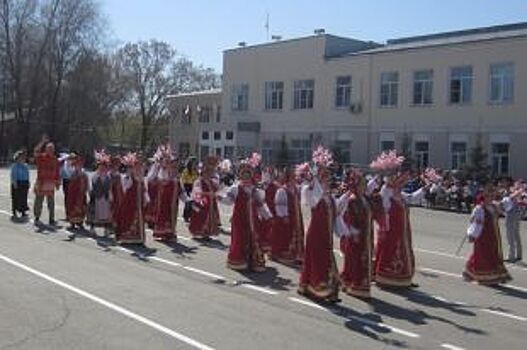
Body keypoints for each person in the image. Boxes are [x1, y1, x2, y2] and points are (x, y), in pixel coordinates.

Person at [298, 146, 341, 302]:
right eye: (325, 177)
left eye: (329, 177)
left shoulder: (330, 197)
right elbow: (309, 200)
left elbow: (337, 215)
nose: (328, 180)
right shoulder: (314, 194)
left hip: (326, 237)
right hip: (316, 235)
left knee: (327, 262)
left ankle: (330, 291)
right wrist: (313, 182)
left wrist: (345, 231)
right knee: (318, 262)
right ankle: (318, 289)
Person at [221, 160, 272, 272]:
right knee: (240, 240)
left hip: (253, 221)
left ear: (251, 175)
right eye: (243, 174)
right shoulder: (236, 188)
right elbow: (229, 201)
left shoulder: (255, 190)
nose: (245, 176)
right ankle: (239, 261)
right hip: (239, 220)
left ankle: (252, 261)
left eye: (247, 174)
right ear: (240, 175)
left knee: (253, 239)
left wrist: (268, 216)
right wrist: (219, 198)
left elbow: (260, 205)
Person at [463, 184, 512, 285]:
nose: (492, 198)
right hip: (482, 236)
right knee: (483, 255)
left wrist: (516, 194)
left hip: (494, 234)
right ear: (485, 197)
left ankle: (492, 276)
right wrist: (472, 234)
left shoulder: (494, 206)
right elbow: (475, 223)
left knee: (494, 254)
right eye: (489, 196)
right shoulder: (479, 209)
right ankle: (484, 276)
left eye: (493, 196)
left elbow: (504, 206)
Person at [338, 170, 374, 299]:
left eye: (365, 184)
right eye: (362, 184)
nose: (364, 187)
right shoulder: (353, 200)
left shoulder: (363, 199)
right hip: (356, 238)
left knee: (361, 261)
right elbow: (351, 220)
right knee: (356, 261)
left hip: (364, 236)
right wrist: (355, 233)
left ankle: (354, 282)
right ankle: (356, 286)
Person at [149, 145, 187, 242]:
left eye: (176, 167)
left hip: (173, 203)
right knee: (163, 216)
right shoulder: (162, 176)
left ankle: (171, 233)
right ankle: (162, 232)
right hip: (163, 203)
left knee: (172, 217)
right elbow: (151, 179)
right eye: (172, 166)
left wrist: (188, 200)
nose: (174, 169)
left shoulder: (177, 179)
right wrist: (158, 164)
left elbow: (181, 191)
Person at [270, 167, 305, 265]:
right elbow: (279, 204)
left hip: (296, 216)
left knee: (298, 233)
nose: (295, 178)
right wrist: (284, 215)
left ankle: (298, 254)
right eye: (293, 177)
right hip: (287, 216)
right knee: (286, 235)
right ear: (288, 178)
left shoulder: (296, 189)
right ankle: (283, 253)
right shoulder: (282, 190)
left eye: (295, 176)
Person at [114, 153, 148, 244]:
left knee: (138, 219)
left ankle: (138, 238)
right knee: (128, 219)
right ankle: (127, 236)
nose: (139, 169)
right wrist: (129, 175)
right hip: (129, 203)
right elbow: (125, 188)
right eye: (136, 167)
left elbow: (144, 189)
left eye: (140, 167)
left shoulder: (141, 179)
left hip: (138, 204)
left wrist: (146, 199)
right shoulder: (128, 177)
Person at [189, 156, 221, 240]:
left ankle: (207, 232)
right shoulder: (199, 181)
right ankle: (200, 231)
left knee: (211, 216)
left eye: (211, 172)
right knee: (202, 215)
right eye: (207, 172)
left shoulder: (212, 181)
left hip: (211, 201)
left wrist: (217, 193)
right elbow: (196, 191)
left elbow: (217, 190)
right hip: (202, 201)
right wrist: (207, 194)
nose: (209, 174)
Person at [33, 136, 60, 226]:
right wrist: (42, 141)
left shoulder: (55, 159)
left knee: (51, 202)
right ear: (45, 149)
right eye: (49, 148)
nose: (51, 150)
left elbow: (57, 171)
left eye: (52, 149)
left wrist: (58, 182)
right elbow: (35, 151)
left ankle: (51, 219)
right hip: (41, 182)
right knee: (39, 201)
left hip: (50, 183)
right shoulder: (41, 157)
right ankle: (37, 217)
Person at [87, 150, 113, 236]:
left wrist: (110, 195)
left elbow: (109, 187)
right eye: (101, 166)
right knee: (94, 213)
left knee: (106, 214)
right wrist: (91, 193)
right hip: (96, 197)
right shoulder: (95, 175)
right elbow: (92, 185)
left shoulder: (108, 176)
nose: (103, 168)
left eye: (105, 167)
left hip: (104, 198)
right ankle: (92, 228)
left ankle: (106, 229)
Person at [500, 181, 524, 263]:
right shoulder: (513, 191)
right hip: (515, 213)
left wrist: (518, 189)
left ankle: (512, 256)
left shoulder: (516, 191)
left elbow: (511, 198)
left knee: (511, 235)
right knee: (516, 234)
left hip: (512, 214)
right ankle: (518, 255)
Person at [65, 155, 89, 232]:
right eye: (77, 164)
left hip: (81, 194)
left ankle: (80, 222)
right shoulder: (72, 172)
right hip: (73, 194)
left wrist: (87, 190)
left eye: (80, 164)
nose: (78, 166)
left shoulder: (84, 173)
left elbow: (86, 183)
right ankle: (72, 222)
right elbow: (67, 169)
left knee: (82, 207)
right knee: (72, 207)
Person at [10, 150, 30, 219]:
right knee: (16, 198)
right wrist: (14, 183)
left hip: (24, 183)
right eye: (20, 157)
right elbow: (13, 175)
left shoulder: (26, 165)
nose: (22, 159)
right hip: (17, 183)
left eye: (23, 157)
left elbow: (27, 174)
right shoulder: (14, 166)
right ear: (17, 158)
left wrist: (28, 182)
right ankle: (14, 211)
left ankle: (23, 211)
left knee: (24, 198)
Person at [181, 158, 198, 222]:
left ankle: (191, 215)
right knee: (188, 202)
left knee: (193, 202)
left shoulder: (195, 171)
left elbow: (196, 179)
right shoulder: (186, 171)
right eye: (193, 163)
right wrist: (184, 189)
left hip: (193, 187)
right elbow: (183, 180)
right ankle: (186, 216)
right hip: (187, 186)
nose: (194, 165)